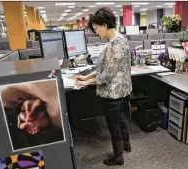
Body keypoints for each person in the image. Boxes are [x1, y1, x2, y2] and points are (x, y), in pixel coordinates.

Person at [75, 7, 132, 166]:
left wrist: (85, 83)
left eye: (97, 28)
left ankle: (118, 157)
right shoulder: (121, 39)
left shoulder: (115, 45)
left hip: (113, 94)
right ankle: (127, 146)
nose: (97, 32)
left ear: (105, 25)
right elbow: (104, 69)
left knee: (114, 126)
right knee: (120, 121)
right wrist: (86, 76)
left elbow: (106, 76)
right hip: (122, 91)